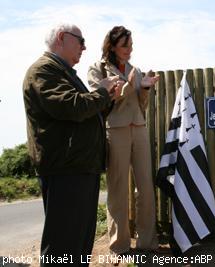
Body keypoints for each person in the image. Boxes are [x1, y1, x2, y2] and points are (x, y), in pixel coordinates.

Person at [22, 23, 123, 266]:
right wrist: (102, 92)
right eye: (80, 40)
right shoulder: (43, 71)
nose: (84, 47)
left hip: (78, 166)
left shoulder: (62, 71)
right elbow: (72, 107)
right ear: (61, 38)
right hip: (65, 168)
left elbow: (86, 113)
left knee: (78, 243)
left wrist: (107, 98)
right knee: (63, 245)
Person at [87, 26, 160, 256]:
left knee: (146, 188)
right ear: (112, 46)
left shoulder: (135, 69)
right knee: (118, 189)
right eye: (125, 45)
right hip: (115, 130)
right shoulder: (97, 69)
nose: (130, 49)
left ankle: (147, 242)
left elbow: (142, 105)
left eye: (131, 44)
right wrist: (128, 86)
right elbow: (102, 101)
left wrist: (145, 88)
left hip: (138, 128)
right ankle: (119, 246)